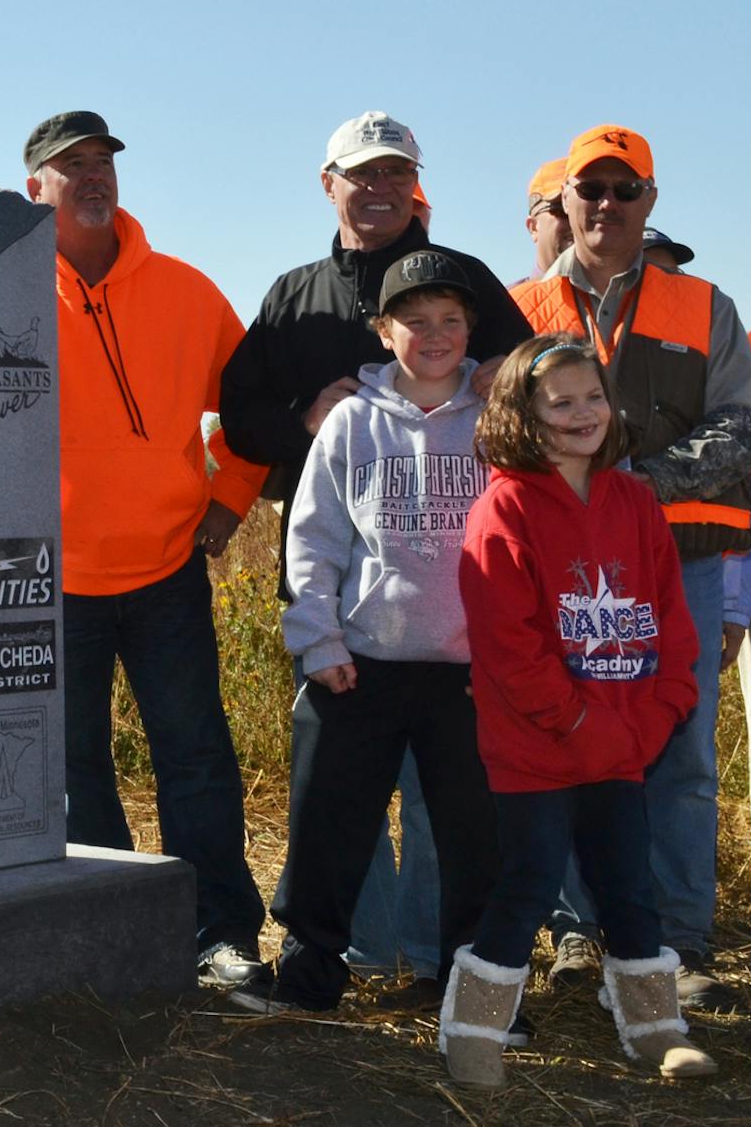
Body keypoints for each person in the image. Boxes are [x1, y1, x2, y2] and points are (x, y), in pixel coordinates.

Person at [219, 111, 531, 998]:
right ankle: (323, 967)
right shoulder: (298, 303)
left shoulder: (472, 307)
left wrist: (500, 383)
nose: (381, 187)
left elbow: (536, 398)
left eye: (398, 172)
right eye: (364, 174)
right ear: (332, 184)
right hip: (356, 640)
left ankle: (464, 981)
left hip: (469, 658)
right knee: (330, 816)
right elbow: (262, 444)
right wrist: (303, 426)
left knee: (467, 827)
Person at [512, 124, 751, 1011]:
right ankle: (579, 937)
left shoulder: (706, 305)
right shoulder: (520, 309)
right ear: (563, 203)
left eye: (625, 190)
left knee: (679, 753)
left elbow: (741, 423)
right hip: (564, 568)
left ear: (651, 201)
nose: (607, 206)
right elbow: (498, 432)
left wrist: (636, 492)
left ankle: (679, 944)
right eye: (590, 190)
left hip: (677, 564)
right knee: (574, 740)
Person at [30, 110, 272, 988]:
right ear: (36, 188)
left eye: (104, 163)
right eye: (71, 165)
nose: (93, 177)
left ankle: (220, 936)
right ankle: (114, 943)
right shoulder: (6, 295)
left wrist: (230, 499)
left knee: (196, 757)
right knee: (72, 770)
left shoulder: (185, 291)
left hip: (169, 568)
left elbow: (252, 410)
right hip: (53, 580)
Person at [443, 333, 714, 1087]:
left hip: (624, 741)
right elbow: (508, 647)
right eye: (559, 401)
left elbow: (670, 621)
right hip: (536, 747)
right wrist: (577, 723)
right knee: (528, 881)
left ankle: (657, 1028)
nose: (582, 412)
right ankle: (472, 1033)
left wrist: (659, 712)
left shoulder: (634, 500)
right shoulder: (505, 509)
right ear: (522, 414)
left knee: (627, 880)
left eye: (592, 395)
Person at [520, 158, 571, 283]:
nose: (576, 220)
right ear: (533, 227)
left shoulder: (622, 298)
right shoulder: (505, 300)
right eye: (562, 212)